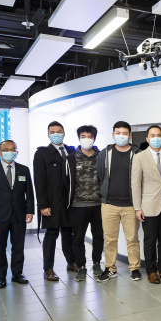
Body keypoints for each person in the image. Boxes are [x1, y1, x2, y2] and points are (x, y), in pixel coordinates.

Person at [0, 140, 34, 288]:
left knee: (18, 246)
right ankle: (1, 277)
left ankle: (17, 274)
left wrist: (30, 211)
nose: (10, 152)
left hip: (19, 215)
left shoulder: (24, 170)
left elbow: (29, 192)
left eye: (13, 149)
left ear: (17, 152)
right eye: (6, 149)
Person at [96, 121, 142, 282]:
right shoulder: (105, 153)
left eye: (124, 133)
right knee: (109, 239)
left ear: (130, 135)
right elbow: (100, 175)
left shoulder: (137, 152)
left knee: (132, 238)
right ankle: (110, 268)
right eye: (118, 132)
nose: (121, 136)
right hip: (109, 203)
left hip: (131, 205)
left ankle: (135, 268)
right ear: (113, 134)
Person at [131, 125, 161, 284]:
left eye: (159, 135)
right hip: (148, 205)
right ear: (147, 139)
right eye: (153, 135)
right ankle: (151, 271)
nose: (156, 138)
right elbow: (135, 184)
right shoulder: (139, 157)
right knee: (150, 240)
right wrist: (137, 207)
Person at [33, 121, 75, 281]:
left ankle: (71, 262)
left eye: (59, 131)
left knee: (68, 234)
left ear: (64, 133)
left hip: (70, 202)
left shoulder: (72, 151)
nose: (56, 134)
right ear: (48, 134)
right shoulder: (42, 153)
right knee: (51, 234)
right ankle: (48, 269)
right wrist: (43, 205)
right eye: (52, 131)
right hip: (52, 202)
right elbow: (39, 181)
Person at [65, 125, 104, 282]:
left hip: (99, 205)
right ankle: (81, 267)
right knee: (78, 238)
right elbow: (65, 182)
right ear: (78, 137)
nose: (86, 139)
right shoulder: (71, 158)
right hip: (77, 205)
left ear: (94, 138)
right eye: (83, 136)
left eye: (89, 136)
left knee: (99, 237)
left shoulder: (102, 156)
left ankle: (96, 264)